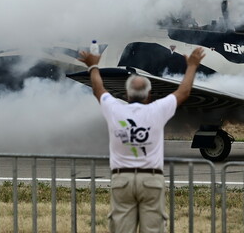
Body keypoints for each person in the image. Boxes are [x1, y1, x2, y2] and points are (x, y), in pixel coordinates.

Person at [78, 47, 206, 233]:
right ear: (149, 95)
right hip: (150, 179)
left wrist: (93, 66)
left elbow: (98, 89)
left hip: (122, 179)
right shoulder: (157, 109)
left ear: (127, 95)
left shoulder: (115, 109)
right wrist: (192, 65)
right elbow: (184, 92)